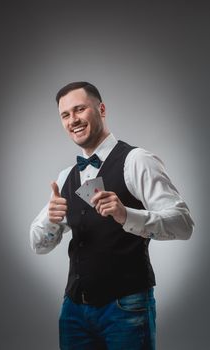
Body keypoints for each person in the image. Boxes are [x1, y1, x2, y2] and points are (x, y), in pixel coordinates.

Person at [30, 81, 194, 350]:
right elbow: (38, 245)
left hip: (126, 307)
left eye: (79, 109)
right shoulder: (66, 177)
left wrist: (126, 214)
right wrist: (50, 218)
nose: (73, 120)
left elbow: (184, 224)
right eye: (65, 114)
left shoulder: (137, 160)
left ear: (101, 109)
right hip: (73, 311)